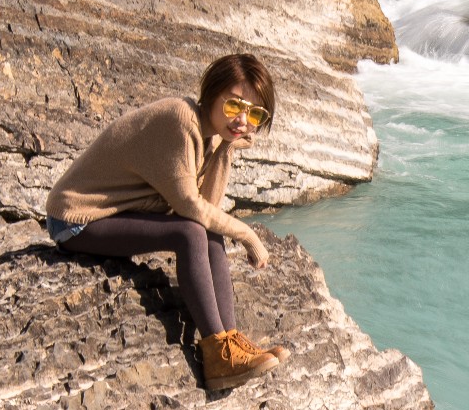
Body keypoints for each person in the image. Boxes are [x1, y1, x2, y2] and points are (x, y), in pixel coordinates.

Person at [46, 53, 290, 391]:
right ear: (211, 95)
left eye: (255, 114)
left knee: (208, 230)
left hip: (117, 214)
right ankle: (217, 352)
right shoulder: (182, 120)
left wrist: (225, 147)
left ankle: (228, 345)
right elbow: (190, 207)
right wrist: (247, 233)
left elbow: (209, 205)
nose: (243, 120)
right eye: (234, 107)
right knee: (189, 232)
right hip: (77, 219)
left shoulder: (212, 134)